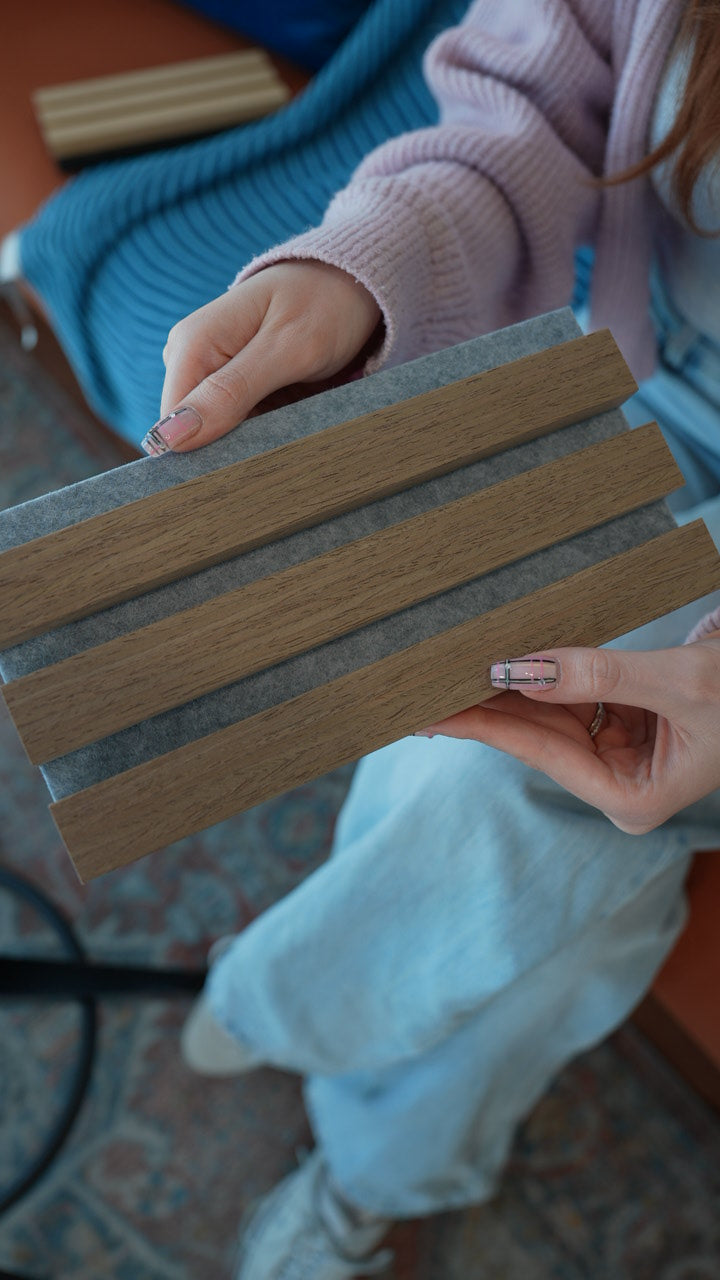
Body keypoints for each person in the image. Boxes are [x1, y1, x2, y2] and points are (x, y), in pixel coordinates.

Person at [145, 2, 720, 1276]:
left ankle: (338, 1089)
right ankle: (352, 1042)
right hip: (634, 390)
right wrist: (362, 268)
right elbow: (533, 98)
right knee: (444, 688)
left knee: (516, 787)